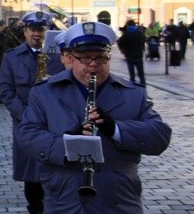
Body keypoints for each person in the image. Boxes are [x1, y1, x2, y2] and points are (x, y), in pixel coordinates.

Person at [16, 21, 172, 213]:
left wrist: (115, 129)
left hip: (118, 201)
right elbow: (27, 135)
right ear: (71, 58)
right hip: (65, 200)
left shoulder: (132, 93)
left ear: (109, 57)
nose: (93, 64)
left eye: (100, 58)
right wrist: (68, 143)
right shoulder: (45, 93)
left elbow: (160, 136)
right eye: (85, 58)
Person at [0, 11, 65, 214]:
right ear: (25, 31)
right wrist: (25, 114)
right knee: (31, 173)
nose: (37, 34)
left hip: (54, 122)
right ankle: (34, 208)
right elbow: (6, 90)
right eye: (33, 30)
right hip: (25, 122)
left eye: (41, 29)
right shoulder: (12, 57)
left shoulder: (57, 56)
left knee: (55, 168)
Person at [117, 19, 146, 87]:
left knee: (132, 74)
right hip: (139, 55)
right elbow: (143, 41)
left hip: (129, 55)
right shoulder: (139, 33)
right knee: (141, 73)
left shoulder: (126, 34)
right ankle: (143, 86)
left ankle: (132, 87)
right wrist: (142, 48)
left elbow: (119, 42)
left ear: (128, 25)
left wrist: (123, 50)